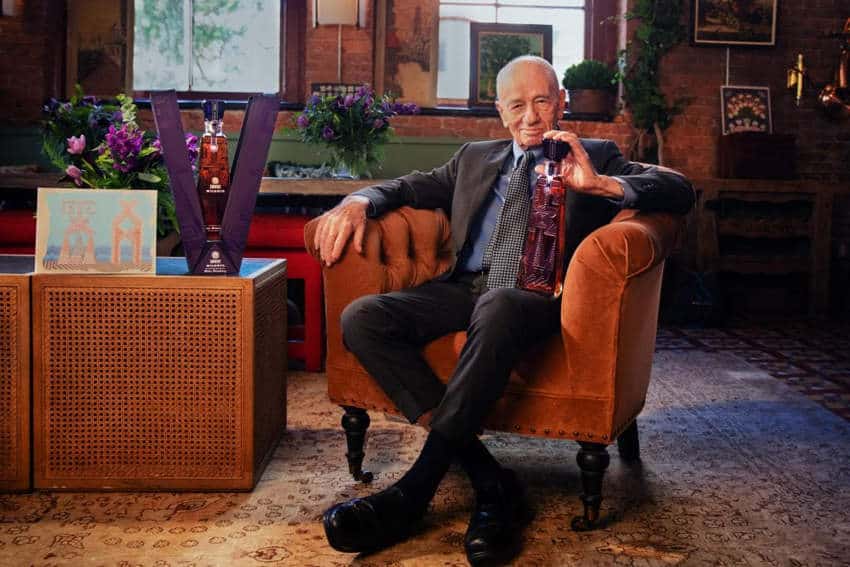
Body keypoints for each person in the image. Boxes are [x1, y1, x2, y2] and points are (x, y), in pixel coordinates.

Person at [312, 55, 694, 564]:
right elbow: (406, 186)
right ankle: (491, 482)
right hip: (465, 288)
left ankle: (413, 493)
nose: (531, 116)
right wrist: (360, 199)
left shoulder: (595, 153)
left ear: (561, 102)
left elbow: (680, 190)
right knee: (362, 318)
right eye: (517, 105)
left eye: (541, 101)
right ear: (500, 111)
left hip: (539, 299)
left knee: (496, 305)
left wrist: (600, 184)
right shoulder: (474, 157)